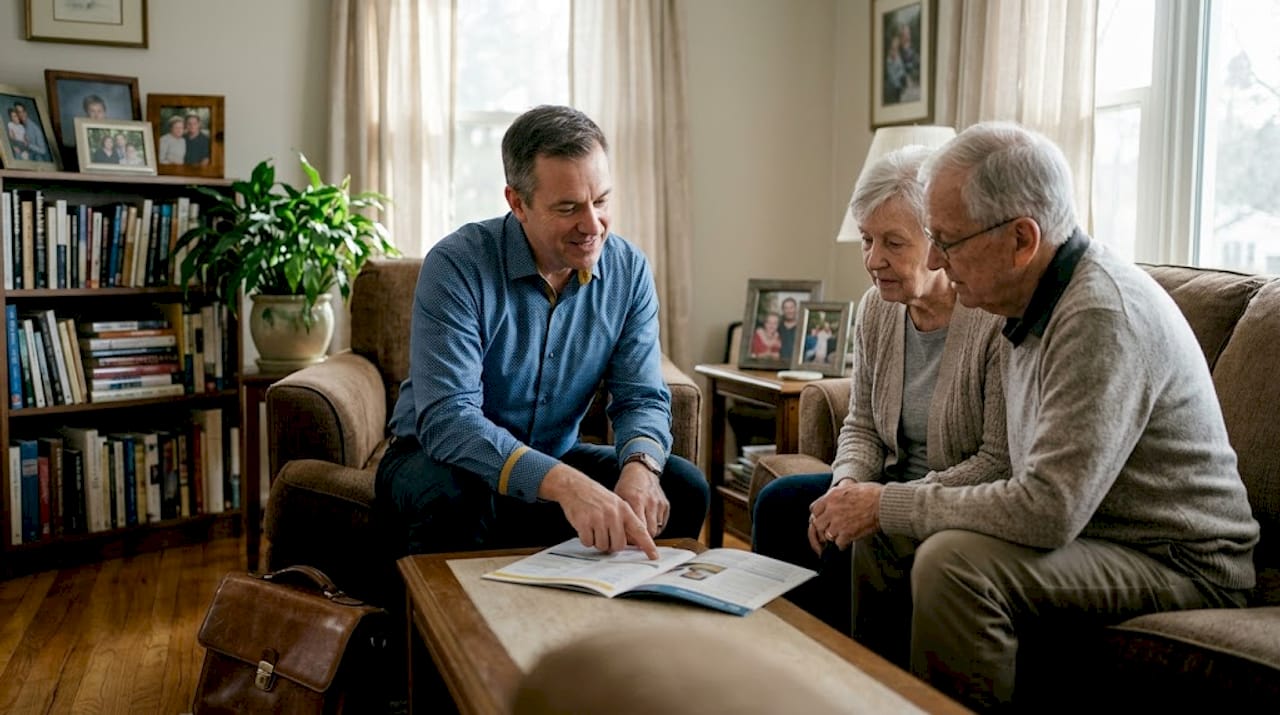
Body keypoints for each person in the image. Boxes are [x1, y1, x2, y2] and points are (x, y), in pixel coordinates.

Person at [808, 122, 1260, 710]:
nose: (938, 258)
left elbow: (1047, 509)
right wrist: (878, 505)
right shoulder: (1025, 300)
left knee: (953, 563)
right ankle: (871, 700)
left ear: (1022, 239)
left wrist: (887, 501)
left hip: (1178, 560)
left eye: (948, 240)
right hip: (1094, 532)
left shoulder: (1099, 316)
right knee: (884, 533)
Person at [377, 105, 709, 562]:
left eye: (602, 201)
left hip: (553, 457)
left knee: (682, 485)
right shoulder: (457, 265)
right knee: (456, 498)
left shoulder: (628, 271)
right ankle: (437, 635)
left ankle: (620, 625)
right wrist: (568, 485)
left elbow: (641, 397)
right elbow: (449, 420)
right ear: (517, 203)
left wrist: (640, 467)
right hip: (440, 460)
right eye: (569, 208)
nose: (593, 225)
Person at [752, 145, 1009, 636]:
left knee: (863, 535)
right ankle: (782, 657)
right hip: (883, 487)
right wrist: (846, 484)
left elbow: (998, 460)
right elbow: (863, 424)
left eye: (893, 242)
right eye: (867, 239)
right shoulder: (877, 309)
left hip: (952, 503)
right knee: (783, 503)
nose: (873, 260)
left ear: (938, 242)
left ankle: (853, 675)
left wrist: (884, 503)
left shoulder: (992, 318)